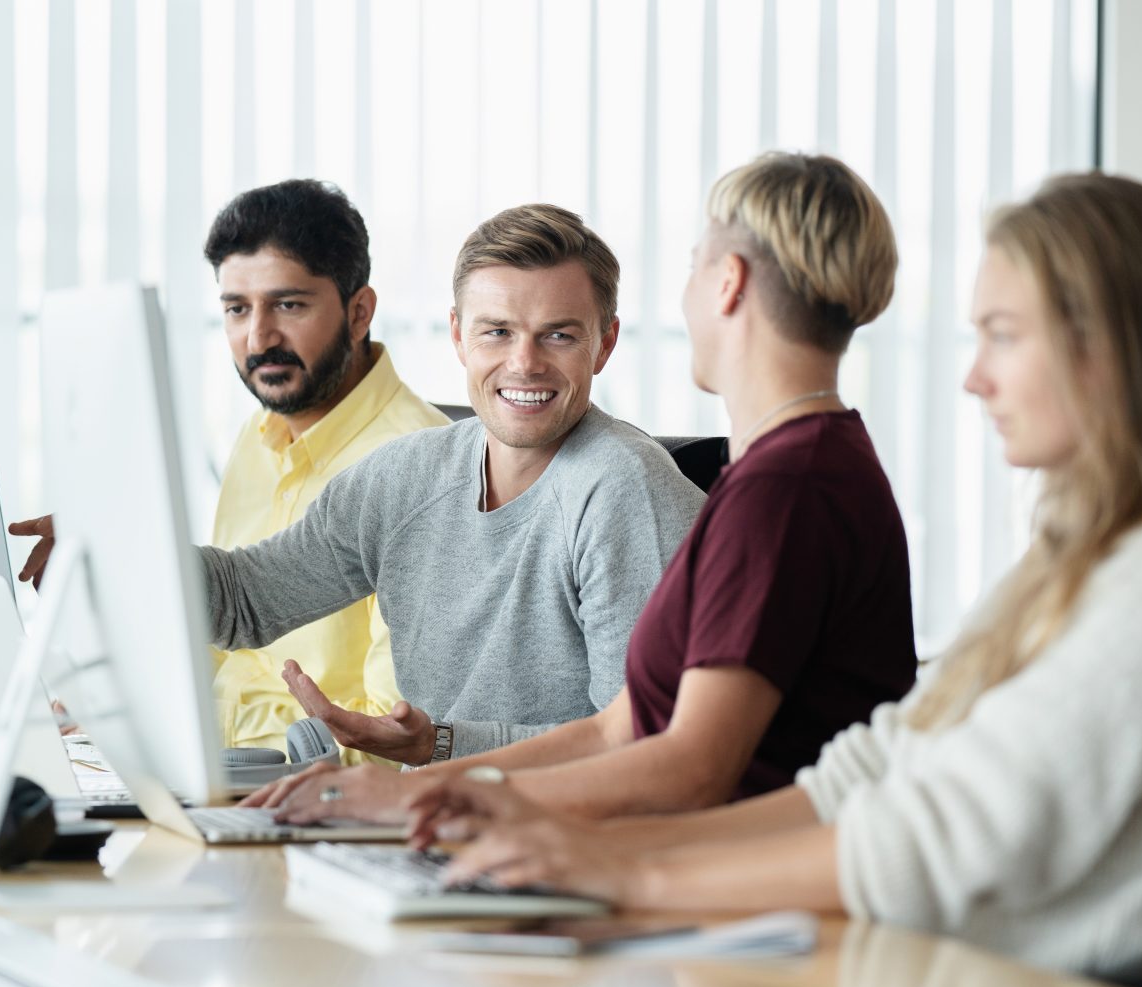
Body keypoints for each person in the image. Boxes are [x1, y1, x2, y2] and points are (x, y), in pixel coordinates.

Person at [405, 173, 1142, 977]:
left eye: (1002, 336)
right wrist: (586, 848)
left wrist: (630, 868)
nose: (972, 378)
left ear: (1107, 347)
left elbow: (933, 841)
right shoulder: (1086, 558)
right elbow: (875, 772)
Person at [255, 153, 917, 822]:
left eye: (693, 264)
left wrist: (420, 798)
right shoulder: (786, 474)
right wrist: (428, 774)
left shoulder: (785, 492)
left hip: (731, 884)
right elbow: (617, 729)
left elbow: (684, 767)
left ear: (727, 282)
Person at [199, 203, 706, 761]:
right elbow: (245, 603)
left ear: (604, 344)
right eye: (497, 332)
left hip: (564, 832)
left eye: (557, 335)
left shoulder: (623, 490)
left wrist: (442, 746)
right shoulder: (401, 477)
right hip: (432, 823)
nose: (524, 363)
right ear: (459, 337)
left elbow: (643, 747)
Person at [12, 180, 448, 763]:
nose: (258, 337)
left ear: (359, 311)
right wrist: (119, 709)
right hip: (221, 768)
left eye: (288, 305)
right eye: (237, 309)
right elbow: (228, 649)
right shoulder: (259, 435)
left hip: (315, 797)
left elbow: (394, 740)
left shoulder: (420, 465)